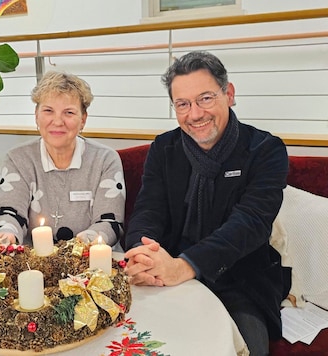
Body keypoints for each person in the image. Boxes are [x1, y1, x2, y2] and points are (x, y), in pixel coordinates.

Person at [123, 51, 290, 355]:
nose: (195, 114)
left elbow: (250, 224)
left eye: (205, 99)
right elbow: (147, 210)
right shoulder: (164, 148)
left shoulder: (265, 150)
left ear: (229, 94)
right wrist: (144, 255)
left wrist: (185, 266)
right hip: (166, 275)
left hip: (240, 284)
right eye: (183, 104)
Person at [0, 71, 125, 249]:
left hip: (91, 261)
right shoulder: (18, 158)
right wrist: (7, 235)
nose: (57, 121)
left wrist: (80, 245)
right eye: (48, 110)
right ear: (36, 115)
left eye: (69, 112)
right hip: (34, 264)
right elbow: (10, 213)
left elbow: (110, 221)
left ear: (83, 120)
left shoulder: (105, 159)